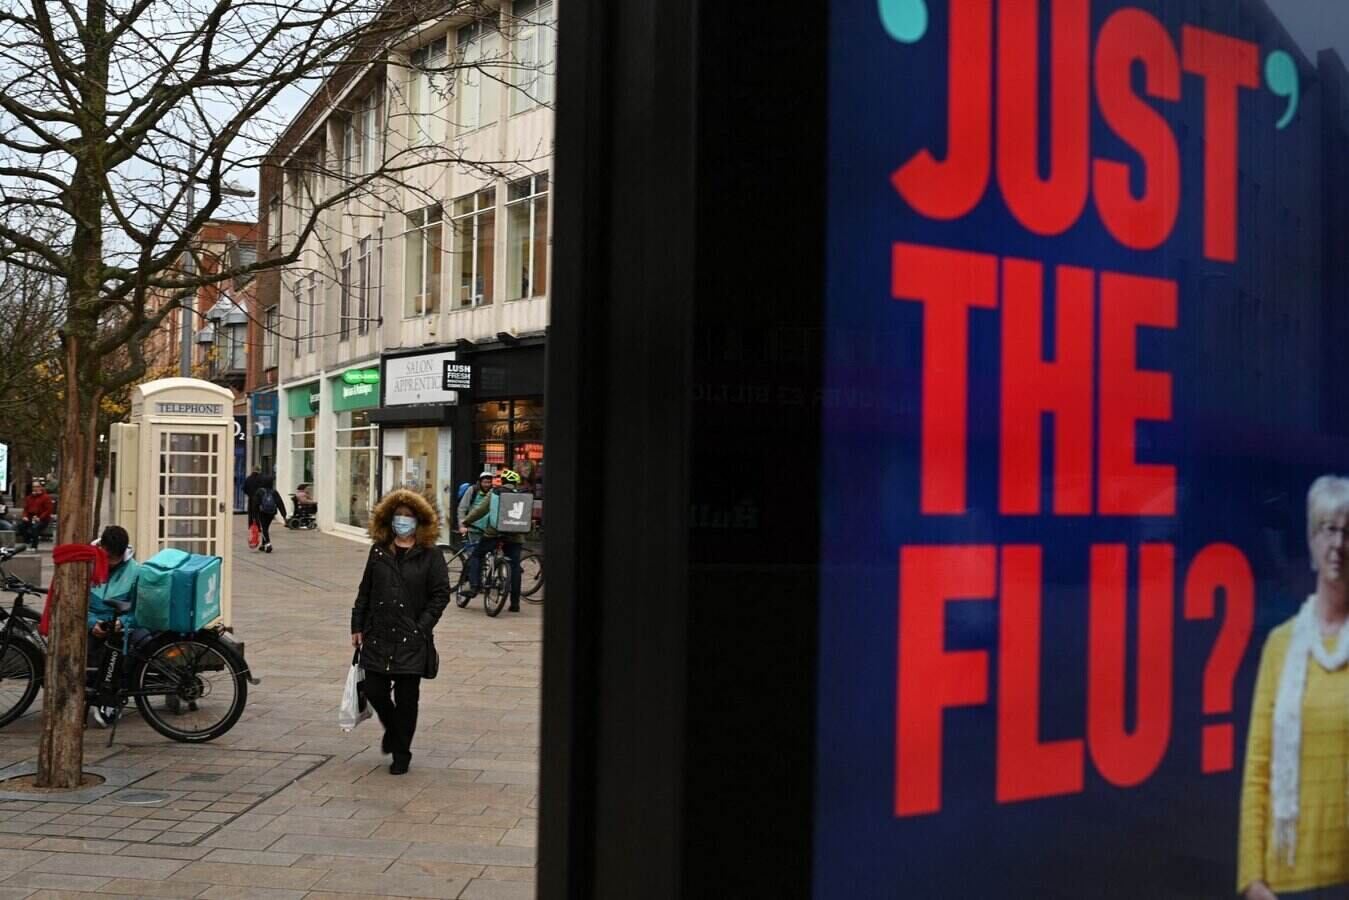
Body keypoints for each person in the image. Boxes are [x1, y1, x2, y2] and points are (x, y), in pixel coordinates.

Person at [1240, 475, 1349, 900]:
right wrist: (1253, 880)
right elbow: (1258, 768)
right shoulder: (1280, 645)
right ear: (1311, 541)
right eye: (1328, 529)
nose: (1338, 544)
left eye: (1348, 532)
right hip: (1285, 881)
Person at [350, 489, 450, 774]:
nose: (402, 521)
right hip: (379, 634)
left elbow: (440, 595)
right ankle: (393, 730)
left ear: (419, 521)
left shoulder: (430, 555)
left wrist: (422, 627)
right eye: (398, 516)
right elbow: (365, 590)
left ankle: (401, 753)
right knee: (374, 689)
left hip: (411, 638)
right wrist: (357, 624)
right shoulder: (379, 551)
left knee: (407, 699)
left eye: (408, 516)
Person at [87, 525, 141, 728]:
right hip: (92, 624)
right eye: (108, 558)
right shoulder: (86, 565)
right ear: (101, 547)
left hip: (118, 626)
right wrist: (92, 623)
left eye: (115, 559)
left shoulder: (135, 571)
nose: (111, 563)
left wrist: (122, 623)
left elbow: (140, 610)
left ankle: (110, 698)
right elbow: (75, 605)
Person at [461, 468, 525, 613]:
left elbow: (481, 510)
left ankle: (474, 586)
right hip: (516, 536)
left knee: (477, 555)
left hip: (494, 533)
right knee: (515, 566)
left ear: (502, 481)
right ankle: (515, 604)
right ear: (516, 483)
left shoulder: (495, 492)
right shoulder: (522, 495)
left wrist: (466, 521)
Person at [252, 475, 287, 553]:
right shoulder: (274, 492)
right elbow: (280, 503)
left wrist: (254, 515)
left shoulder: (259, 491)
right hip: (271, 513)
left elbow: (255, 504)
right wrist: (284, 515)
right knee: (266, 528)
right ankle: (263, 544)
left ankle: (268, 544)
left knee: (264, 528)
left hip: (262, 512)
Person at [458, 469, 495, 535]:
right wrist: (462, 526)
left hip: (488, 530)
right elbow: (462, 508)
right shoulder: (472, 490)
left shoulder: (494, 492)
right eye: (484, 482)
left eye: (489, 482)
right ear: (480, 482)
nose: (487, 485)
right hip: (473, 529)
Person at [16, 482, 52, 550]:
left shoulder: (46, 497)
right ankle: (27, 541)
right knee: (21, 526)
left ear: (41, 487)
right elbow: (26, 509)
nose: (35, 488)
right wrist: (25, 516)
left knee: (35, 527)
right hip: (31, 518)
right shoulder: (29, 497)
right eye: (34, 487)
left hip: (42, 519)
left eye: (37, 487)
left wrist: (39, 518)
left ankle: (34, 546)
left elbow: (48, 510)